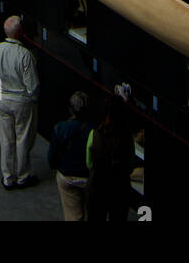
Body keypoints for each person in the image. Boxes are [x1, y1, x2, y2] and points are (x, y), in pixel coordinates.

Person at [0, 15, 40, 190]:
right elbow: (33, 86)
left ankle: (8, 178)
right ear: (21, 33)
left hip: (3, 100)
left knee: (6, 141)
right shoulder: (25, 55)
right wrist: (33, 100)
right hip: (22, 101)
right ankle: (23, 177)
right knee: (22, 140)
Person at [86, 94, 137, 222]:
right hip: (120, 187)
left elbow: (89, 163)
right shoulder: (127, 137)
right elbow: (130, 165)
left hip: (98, 186)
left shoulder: (95, 134)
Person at [48, 92, 93, 220]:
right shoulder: (94, 130)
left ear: (70, 109)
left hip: (67, 176)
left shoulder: (60, 128)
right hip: (89, 178)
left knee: (73, 216)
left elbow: (52, 158)